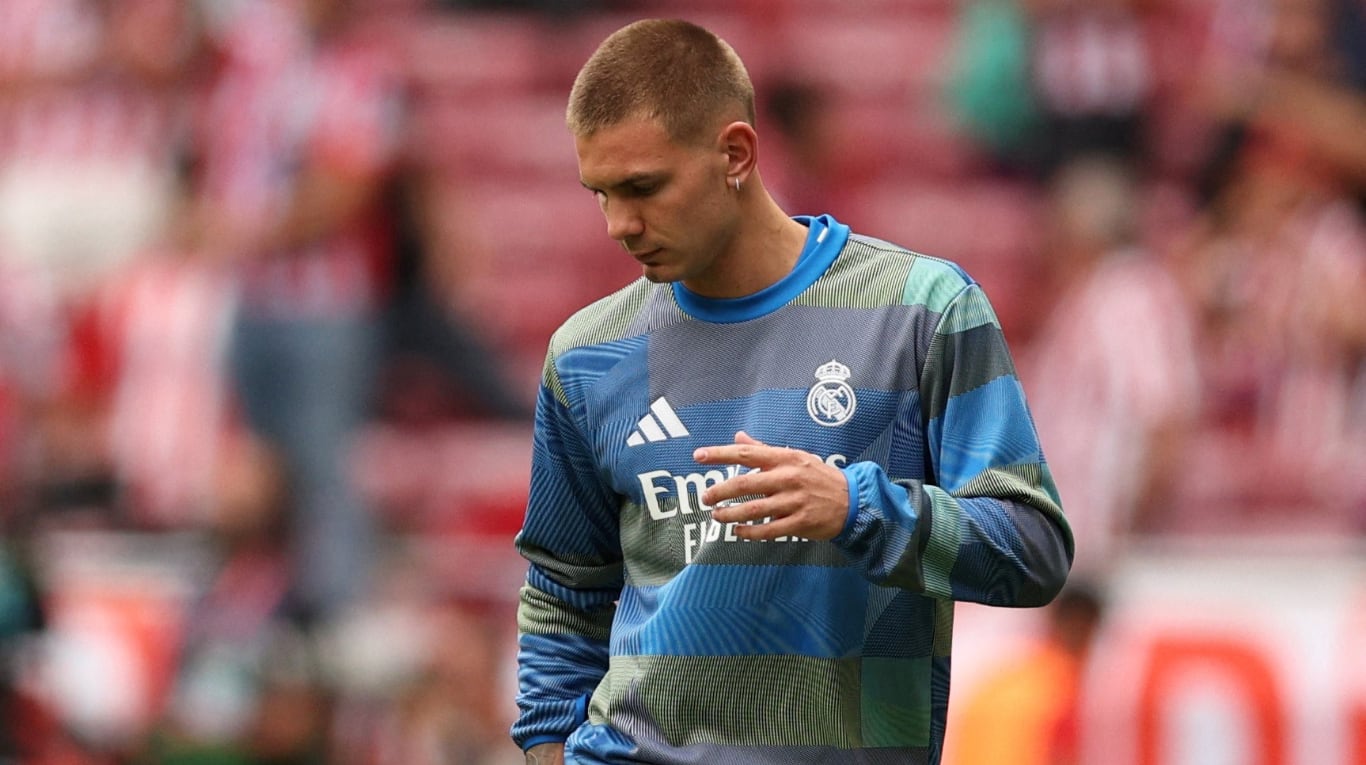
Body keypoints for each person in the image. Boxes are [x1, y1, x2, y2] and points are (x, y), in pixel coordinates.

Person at [510, 18, 1074, 765]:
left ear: (735, 153)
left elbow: (1034, 550)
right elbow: (562, 588)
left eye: (643, 187)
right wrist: (547, 748)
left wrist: (855, 508)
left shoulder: (920, 311)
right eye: (601, 193)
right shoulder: (587, 355)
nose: (620, 224)